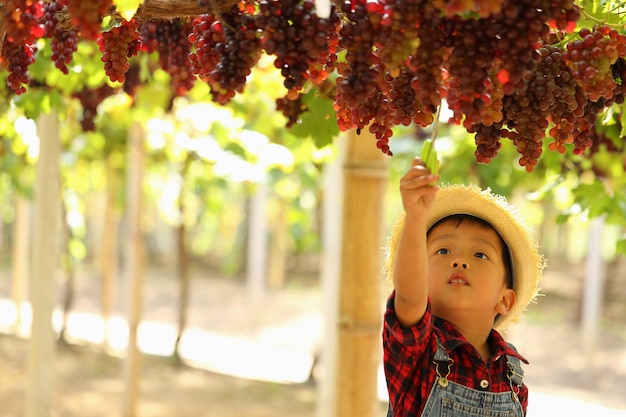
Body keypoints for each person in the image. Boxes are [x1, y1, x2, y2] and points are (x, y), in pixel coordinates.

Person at [382, 156, 545, 417]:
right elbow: (409, 295)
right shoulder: (418, 351)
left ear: (505, 300)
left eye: (480, 255)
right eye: (443, 250)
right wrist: (415, 218)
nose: (459, 261)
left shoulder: (512, 373)